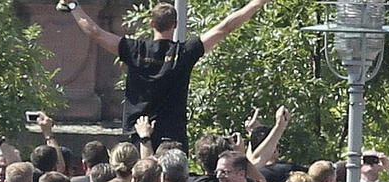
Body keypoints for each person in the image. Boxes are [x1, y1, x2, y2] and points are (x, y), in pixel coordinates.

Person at [65, 0, 269, 148]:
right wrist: (256, 3)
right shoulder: (185, 52)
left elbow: (94, 32)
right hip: (173, 136)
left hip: (140, 132)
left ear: (151, 24)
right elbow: (224, 28)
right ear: (176, 25)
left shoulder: (134, 49)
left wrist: (73, 5)